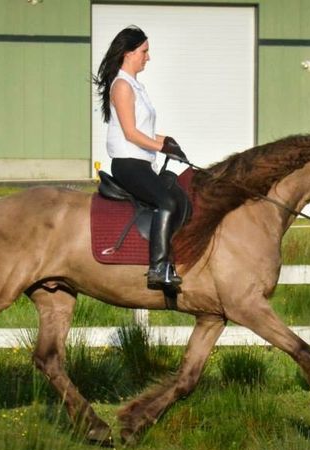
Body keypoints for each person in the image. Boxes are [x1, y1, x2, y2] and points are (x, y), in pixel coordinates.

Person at [93, 26, 187, 290]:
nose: (148, 57)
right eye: (144, 51)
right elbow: (131, 134)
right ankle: (158, 268)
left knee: (177, 195)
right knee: (166, 202)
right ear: (128, 53)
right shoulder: (122, 86)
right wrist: (162, 147)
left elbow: (144, 131)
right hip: (128, 164)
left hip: (141, 162)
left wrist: (167, 141)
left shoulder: (136, 86)